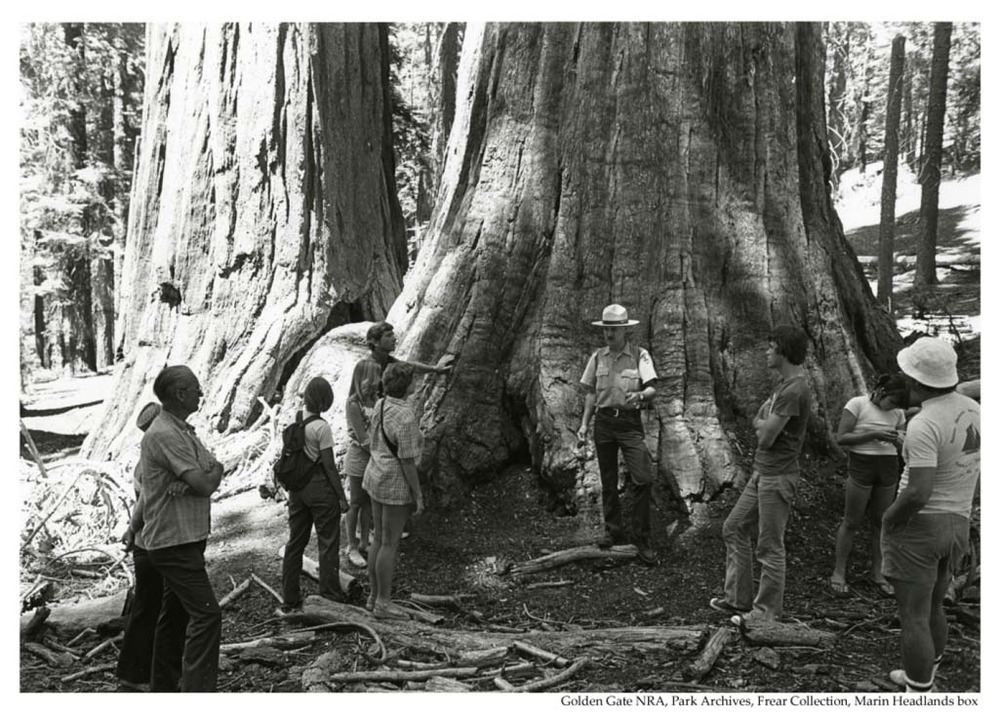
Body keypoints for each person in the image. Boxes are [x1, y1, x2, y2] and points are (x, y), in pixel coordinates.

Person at [883, 337, 980, 693]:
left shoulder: (924, 423)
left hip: (920, 527)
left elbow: (919, 491)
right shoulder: (974, 409)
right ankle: (926, 675)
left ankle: (917, 693)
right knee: (935, 604)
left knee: (913, 616)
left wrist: (890, 518)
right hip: (956, 520)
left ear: (915, 382)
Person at [710, 325, 812, 626]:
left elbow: (766, 437)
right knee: (734, 527)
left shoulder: (794, 390)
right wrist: (762, 423)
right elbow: (760, 422)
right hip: (762, 473)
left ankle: (765, 613)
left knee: (769, 546)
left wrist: (762, 423)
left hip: (777, 477)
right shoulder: (783, 386)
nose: (767, 352)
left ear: (782, 349)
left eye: (770, 347)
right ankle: (737, 599)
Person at [133, 366, 224, 692]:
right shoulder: (165, 435)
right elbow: (205, 480)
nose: (202, 393)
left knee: (174, 618)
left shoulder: (183, 430)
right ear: (181, 394)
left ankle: (164, 690)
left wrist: (203, 479)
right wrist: (202, 480)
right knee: (208, 616)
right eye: (196, 388)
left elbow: (217, 466)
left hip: (186, 536)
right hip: (173, 542)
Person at [343, 321, 451, 567]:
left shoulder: (381, 398)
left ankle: (364, 541)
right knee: (357, 502)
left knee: (369, 503)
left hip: (376, 459)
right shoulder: (357, 399)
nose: (377, 381)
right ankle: (350, 545)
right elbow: (362, 437)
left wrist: (435, 369)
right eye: (388, 335)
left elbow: (409, 367)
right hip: (363, 458)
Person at [576, 304, 658, 565]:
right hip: (604, 423)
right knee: (608, 481)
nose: (609, 335)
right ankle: (614, 532)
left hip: (629, 424)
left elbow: (652, 388)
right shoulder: (598, 357)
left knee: (643, 478)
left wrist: (641, 395)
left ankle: (641, 537)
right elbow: (590, 393)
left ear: (625, 330)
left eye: (614, 330)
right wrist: (583, 425)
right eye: (606, 330)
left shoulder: (639, 355)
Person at [117, 401, 186, 691]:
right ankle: (140, 675)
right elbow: (143, 504)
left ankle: (139, 672)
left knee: (150, 607)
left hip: (148, 543)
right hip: (152, 543)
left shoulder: (147, 457)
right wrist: (132, 528)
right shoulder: (152, 460)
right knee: (155, 609)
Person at [828, 374, 908, 597]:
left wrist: (898, 438)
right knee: (852, 520)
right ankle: (839, 572)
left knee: (880, 522)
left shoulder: (898, 413)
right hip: (862, 464)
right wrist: (873, 433)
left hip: (888, 465)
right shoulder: (858, 404)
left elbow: (902, 437)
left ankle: (878, 573)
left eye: (896, 405)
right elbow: (841, 438)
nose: (892, 407)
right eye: (891, 401)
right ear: (881, 392)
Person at [280, 377, 351, 612]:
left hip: (298, 489)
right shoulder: (321, 427)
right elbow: (329, 466)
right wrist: (341, 495)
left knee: (295, 542)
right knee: (328, 542)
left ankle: (290, 596)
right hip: (319, 487)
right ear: (324, 400)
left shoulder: (296, 419)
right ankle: (330, 595)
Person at [362, 362, 425, 619]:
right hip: (394, 482)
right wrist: (418, 495)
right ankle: (383, 603)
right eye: (413, 381)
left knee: (378, 538)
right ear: (408, 385)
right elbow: (408, 461)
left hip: (375, 474)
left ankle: (373, 596)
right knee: (389, 542)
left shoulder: (381, 404)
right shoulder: (407, 417)